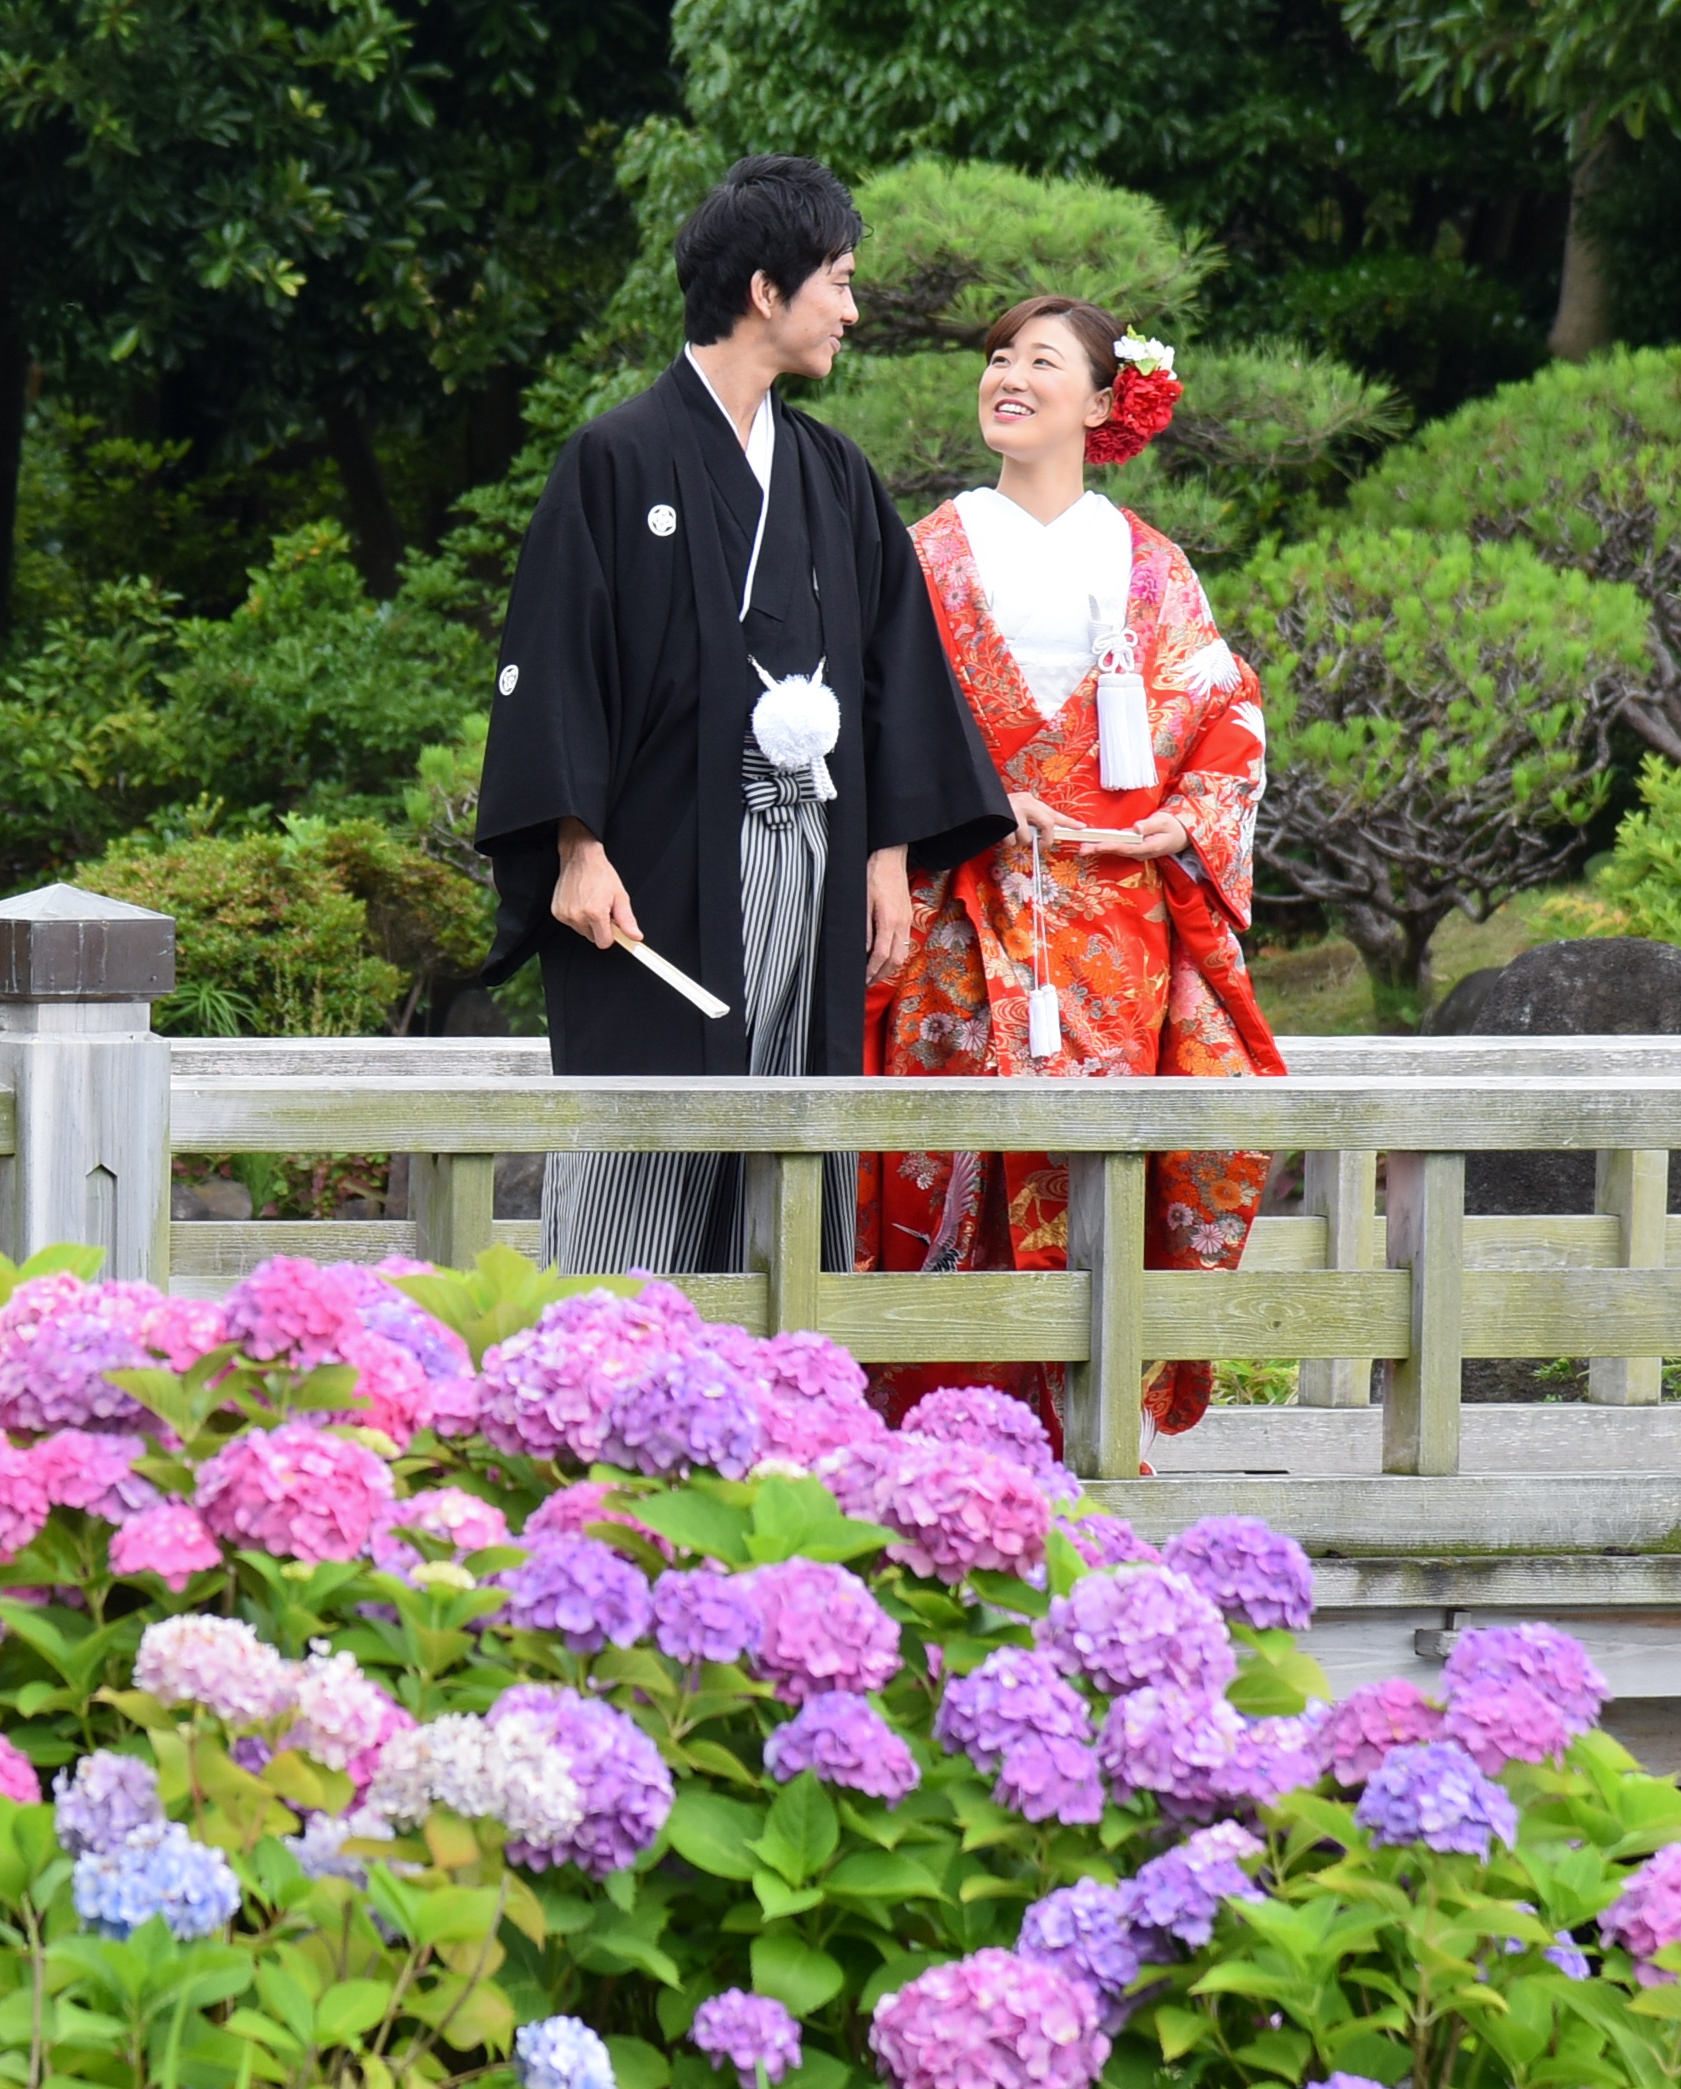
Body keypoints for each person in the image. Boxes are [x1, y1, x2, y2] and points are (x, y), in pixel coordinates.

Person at [474, 155, 1015, 1276]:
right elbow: (555, 664)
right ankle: (607, 1396)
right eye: (840, 281)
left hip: (808, 850)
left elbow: (891, 671)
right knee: (647, 1142)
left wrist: (885, 850)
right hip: (656, 863)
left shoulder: (831, 473)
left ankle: (775, 1406)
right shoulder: (615, 459)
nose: (852, 311)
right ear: (767, 290)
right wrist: (574, 847)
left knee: (790, 1126)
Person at [859, 294, 1284, 1449]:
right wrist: (971, 807)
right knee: (936, 1158)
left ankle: (1090, 1446)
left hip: (1111, 922)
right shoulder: (923, 551)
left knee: (1101, 1166)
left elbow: (1223, 705)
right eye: (996, 355)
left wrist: (1182, 818)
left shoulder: (1150, 562)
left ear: (1101, 403)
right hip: (958, 907)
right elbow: (872, 714)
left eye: (1039, 360)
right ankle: (923, 1446)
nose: (1007, 373)